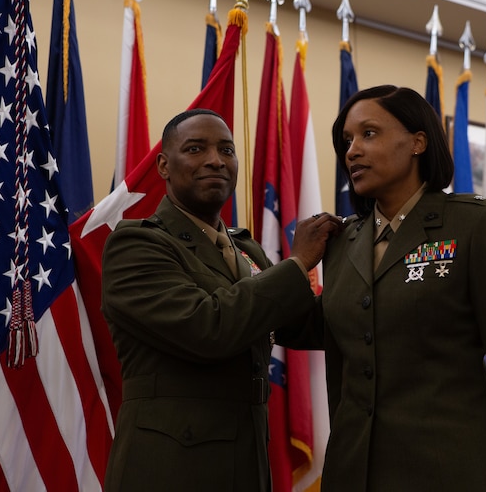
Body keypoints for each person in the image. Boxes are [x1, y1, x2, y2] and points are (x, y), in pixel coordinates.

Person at [319, 85, 486, 490]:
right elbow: (340, 374)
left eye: (369, 134)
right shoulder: (340, 242)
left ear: (417, 143)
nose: (352, 151)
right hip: (355, 474)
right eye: (347, 141)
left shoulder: (476, 226)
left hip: (449, 472)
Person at [100, 108, 341, 491]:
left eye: (227, 150)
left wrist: (375, 279)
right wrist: (298, 263)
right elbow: (208, 328)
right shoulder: (136, 244)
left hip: (246, 460)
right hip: (170, 468)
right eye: (196, 149)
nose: (215, 160)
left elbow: (301, 323)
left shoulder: (245, 249)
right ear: (164, 165)